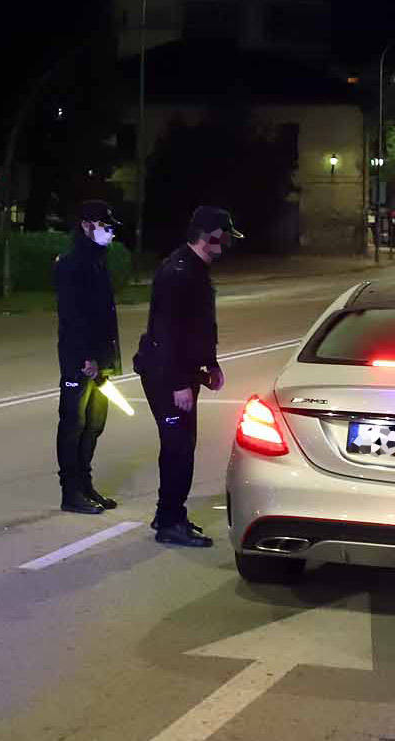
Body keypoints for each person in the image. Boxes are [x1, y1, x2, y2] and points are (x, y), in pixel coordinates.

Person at [133, 206, 243, 547]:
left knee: (183, 446)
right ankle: (169, 522)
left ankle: (170, 515)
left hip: (179, 372)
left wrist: (210, 364)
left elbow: (197, 327)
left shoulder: (194, 269)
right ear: (209, 236)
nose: (225, 245)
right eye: (223, 237)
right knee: (178, 448)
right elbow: (167, 333)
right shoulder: (178, 272)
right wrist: (179, 382)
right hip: (166, 375)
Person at [54, 200, 123, 514]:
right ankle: (71, 492)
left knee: (94, 423)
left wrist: (107, 359)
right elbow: (73, 316)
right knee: (73, 423)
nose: (109, 232)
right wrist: (86, 358)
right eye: (104, 226)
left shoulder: (98, 260)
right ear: (86, 225)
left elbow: (103, 315)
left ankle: (85, 484)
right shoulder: (72, 263)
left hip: (100, 360)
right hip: (80, 361)